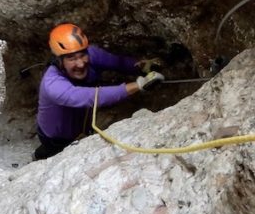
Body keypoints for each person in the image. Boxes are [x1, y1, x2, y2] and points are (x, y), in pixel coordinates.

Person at [33, 23, 164, 161]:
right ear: (58, 61)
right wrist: (137, 85)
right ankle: (37, 157)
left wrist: (140, 66)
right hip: (55, 137)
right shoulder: (52, 84)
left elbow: (117, 62)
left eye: (82, 55)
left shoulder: (92, 55)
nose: (80, 63)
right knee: (52, 155)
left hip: (81, 126)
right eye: (71, 58)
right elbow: (87, 97)